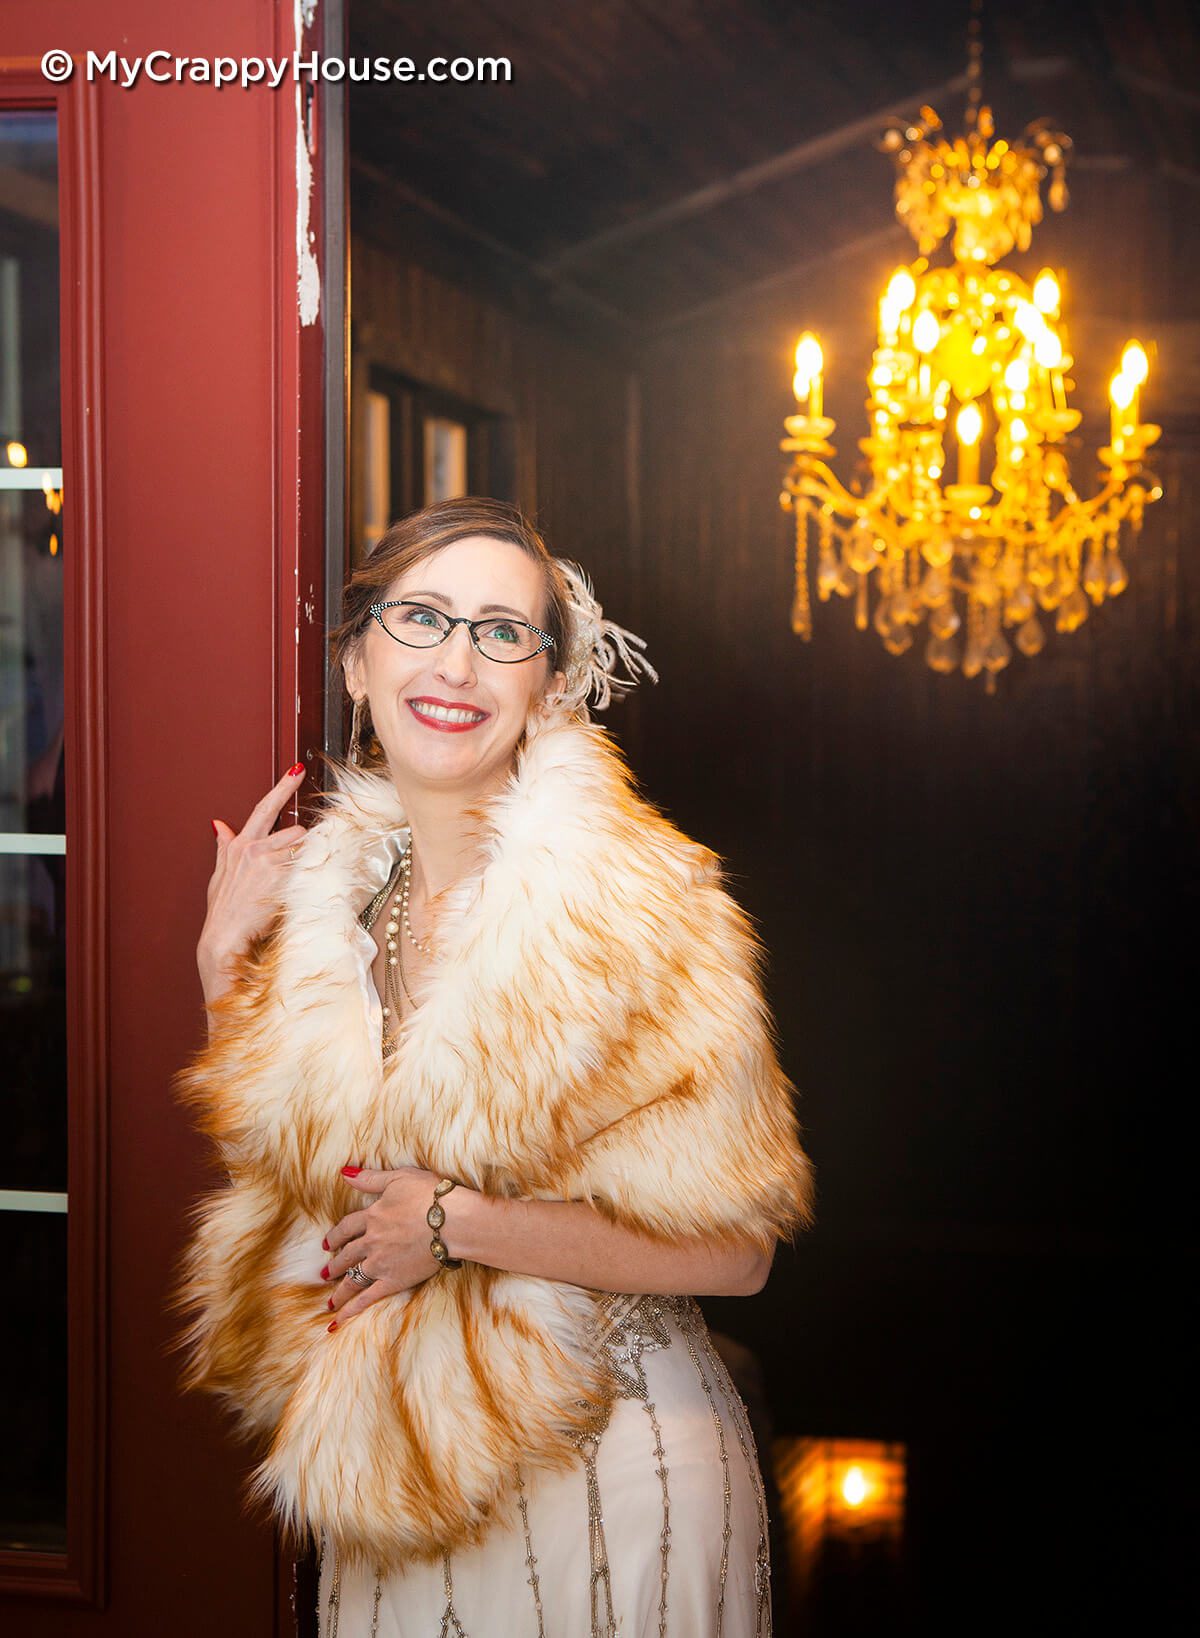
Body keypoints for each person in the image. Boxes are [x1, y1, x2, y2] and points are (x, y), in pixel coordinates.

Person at [174, 497, 814, 1638]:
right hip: (393, 1475)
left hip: (611, 1471)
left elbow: (739, 1252)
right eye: (422, 618)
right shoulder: (341, 909)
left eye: (502, 632)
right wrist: (225, 967)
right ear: (359, 661)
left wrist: (458, 1225)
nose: (458, 662)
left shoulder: (641, 908)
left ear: (544, 682)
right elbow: (298, 1195)